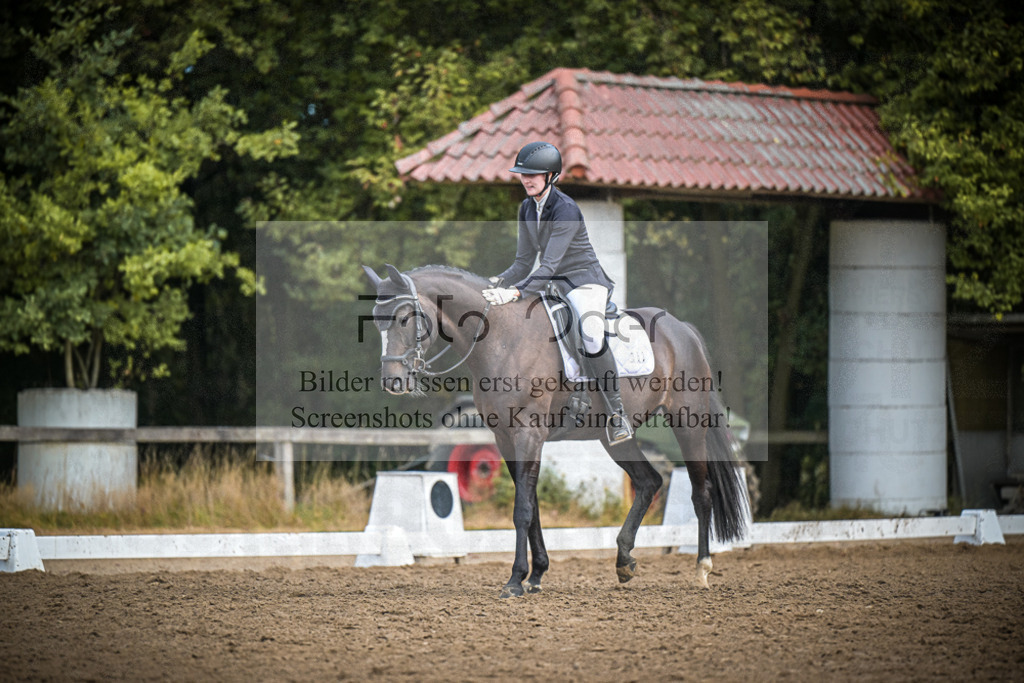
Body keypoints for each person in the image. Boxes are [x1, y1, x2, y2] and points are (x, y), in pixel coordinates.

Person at [482, 141, 633, 444]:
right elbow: (524, 261)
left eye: (534, 174)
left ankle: (618, 415)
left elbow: (548, 264)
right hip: (552, 284)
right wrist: (498, 281)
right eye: (523, 174)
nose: (527, 179)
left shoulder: (565, 209)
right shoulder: (526, 207)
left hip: (583, 281)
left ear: (551, 176)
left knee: (590, 332)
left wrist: (515, 294)